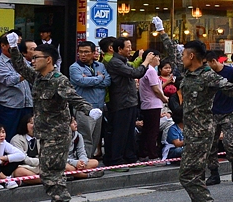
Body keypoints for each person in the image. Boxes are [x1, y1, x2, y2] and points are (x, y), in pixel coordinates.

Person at [151, 18, 233, 202]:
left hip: (202, 132)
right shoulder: (188, 72)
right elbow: (173, 51)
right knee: (194, 174)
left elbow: (231, 88)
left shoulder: (207, 76)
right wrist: (162, 31)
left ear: (192, 56)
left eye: (184, 55)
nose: (181, 58)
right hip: (191, 130)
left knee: (186, 174)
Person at [4, 34, 98, 202]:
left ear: (48, 59)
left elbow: (74, 98)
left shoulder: (58, 80)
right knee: (47, 171)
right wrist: (14, 47)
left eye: (36, 57)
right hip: (44, 133)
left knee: (52, 170)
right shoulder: (38, 77)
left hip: (58, 134)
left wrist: (90, 110)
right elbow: (20, 67)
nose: (32, 60)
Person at [105, 37, 151, 166]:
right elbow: (135, 73)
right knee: (120, 132)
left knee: (129, 131)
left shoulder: (124, 61)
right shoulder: (115, 62)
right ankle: (116, 159)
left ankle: (129, 156)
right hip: (121, 102)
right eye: (128, 47)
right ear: (119, 49)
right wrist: (145, 61)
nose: (130, 49)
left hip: (130, 101)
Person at [205, 51, 233, 185]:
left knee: (228, 142)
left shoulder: (230, 72)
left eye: (207, 63)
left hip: (228, 112)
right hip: (212, 113)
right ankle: (214, 173)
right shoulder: (207, 75)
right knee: (211, 144)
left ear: (213, 61)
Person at [69, 41, 110, 159]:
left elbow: (107, 81)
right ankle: (84, 162)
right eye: (80, 52)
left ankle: (90, 159)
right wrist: (99, 78)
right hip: (84, 107)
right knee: (85, 137)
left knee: (95, 137)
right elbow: (81, 82)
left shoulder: (100, 66)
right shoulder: (74, 67)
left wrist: (92, 80)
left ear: (93, 53)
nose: (83, 54)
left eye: (86, 52)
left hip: (99, 106)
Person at [0, 33, 34, 140]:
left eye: (16, 45)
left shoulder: (22, 59)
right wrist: (26, 73)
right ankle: (7, 156)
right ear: (3, 46)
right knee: (9, 135)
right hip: (9, 106)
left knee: (27, 135)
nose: (15, 48)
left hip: (27, 104)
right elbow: (9, 80)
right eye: (11, 45)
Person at [0, 120, 40, 188]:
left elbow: (21, 155)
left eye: (3, 132)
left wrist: (6, 158)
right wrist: (0, 161)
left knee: (16, 160)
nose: (2, 135)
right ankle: (5, 179)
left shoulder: (3, 143)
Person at [138, 51, 167, 162]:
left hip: (148, 104)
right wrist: (164, 98)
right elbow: (155, 89)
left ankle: (143, 153)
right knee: (152, 131)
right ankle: (152, 156)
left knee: (147, 130)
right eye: (158, 57)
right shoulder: (151, 71)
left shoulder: (148, 70)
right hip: (152, 104)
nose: (159, 59)